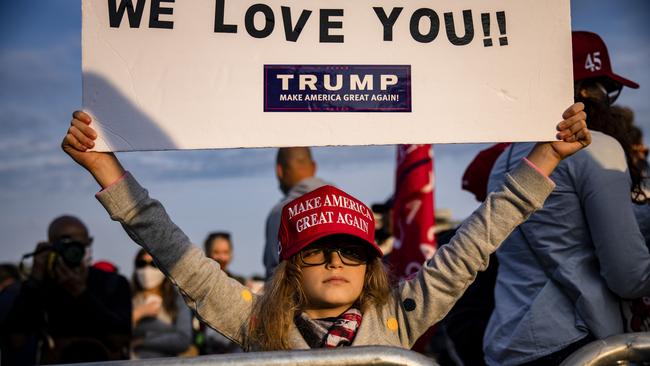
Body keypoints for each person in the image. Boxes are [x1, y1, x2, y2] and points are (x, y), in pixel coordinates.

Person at [60, 102, 588, 352]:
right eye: (318, 250)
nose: (336, 261)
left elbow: (475, 242)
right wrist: (105, 168)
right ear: (289, 266)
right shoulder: (255, 325)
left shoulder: (399, 319)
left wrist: (546, 155)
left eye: (351, 250)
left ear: (369, 265)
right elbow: (176, 253)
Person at [484, 31, 650, 366]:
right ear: (586, 92)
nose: (611, 101)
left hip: (507, 345)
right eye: (608, 89)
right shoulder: (598, 148)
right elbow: (629, 275)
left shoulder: (502, 162)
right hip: (576, 344)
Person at [3, 216, 131, 365]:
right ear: (51, 247)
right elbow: (15, 340)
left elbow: (119, 340)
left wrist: (80, 293)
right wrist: (35, 280)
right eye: (64, 246)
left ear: (88, 244)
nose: (72, 252)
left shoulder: (113, 282)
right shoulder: (41, 286)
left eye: (78, 245)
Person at [264, 147, 330, 278]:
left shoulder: (282, 213)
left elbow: (274, 274)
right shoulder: (343, 202)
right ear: (314, 167)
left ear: (279, 171)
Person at [130, 249, 193, 358]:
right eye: (141, 264)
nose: (147, 269)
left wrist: (143, 340)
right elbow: (116, 333)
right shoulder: (128, 297)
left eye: (153, 264)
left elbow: (183, 340)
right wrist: (139, 313)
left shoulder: (176, 299)